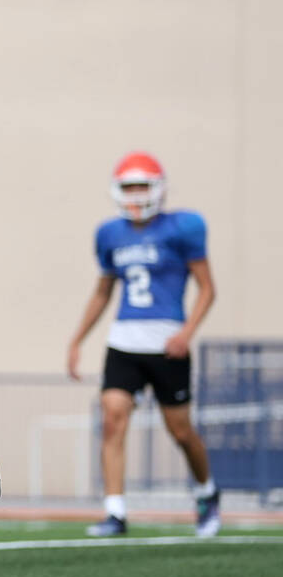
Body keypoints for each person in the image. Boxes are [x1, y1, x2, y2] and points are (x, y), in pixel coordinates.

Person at [67, 151, 219, 538]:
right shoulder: (109, 233)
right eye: (129, 187)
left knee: (181, 432)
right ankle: (115, 511)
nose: (135, 194)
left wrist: (187, 332)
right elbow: (103, 291)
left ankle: (206, 491)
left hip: (168, 341)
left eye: (142, 186)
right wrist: (78, 339)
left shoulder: (184, 227)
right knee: (113, 416)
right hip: (124, 341)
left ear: (159, 189)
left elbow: (207, 288)